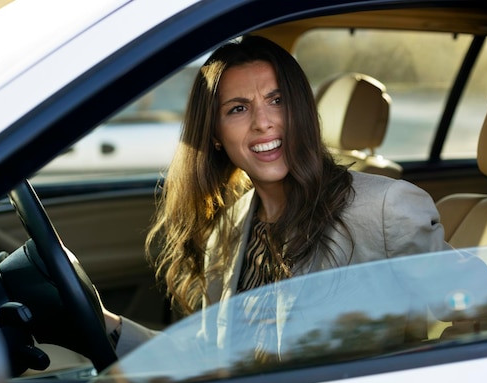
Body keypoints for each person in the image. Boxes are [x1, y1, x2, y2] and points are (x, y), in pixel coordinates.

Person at [103, 35, 451, 359]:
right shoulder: (229, 226)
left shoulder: (386, 208)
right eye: (238, 109)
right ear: (215, 136)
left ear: (300, 109)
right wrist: (110, 328)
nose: (263, 122)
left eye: (277, 100)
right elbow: (211, 357)